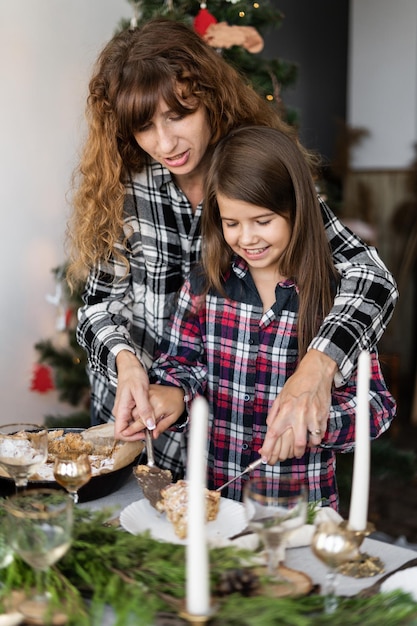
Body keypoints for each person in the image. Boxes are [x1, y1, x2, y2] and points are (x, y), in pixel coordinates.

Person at [67, 18, 398, 479]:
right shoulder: (124, 191)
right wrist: (125, 364)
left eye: (178, 115)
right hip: (142, 426)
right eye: (144, 126)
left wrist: (317, 367)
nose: (165, 143)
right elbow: (97, 306)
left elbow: (372, 276)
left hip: (240, 451)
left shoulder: (257, 174)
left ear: (207, 98)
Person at [147, 125, 396, 505]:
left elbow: (376, 406)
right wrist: (174, 392)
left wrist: (316, 423)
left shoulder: (335, 299)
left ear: (297, 210)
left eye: (263, 221)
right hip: (218, 503)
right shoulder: (204, 285)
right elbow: (182, 364)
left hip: (300, 513)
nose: (247, 238)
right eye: (232, 223)